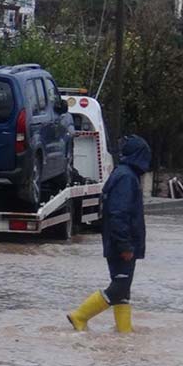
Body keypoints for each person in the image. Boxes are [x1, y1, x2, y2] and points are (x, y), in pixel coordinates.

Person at [67, 135, 151, 334]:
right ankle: (80, 315)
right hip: (121, 244)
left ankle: (124, 332)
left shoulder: (123, 174)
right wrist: (125, 245)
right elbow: (117, 213)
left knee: (123, 290)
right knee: (119, 287)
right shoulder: (126, 178)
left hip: (120, 242)